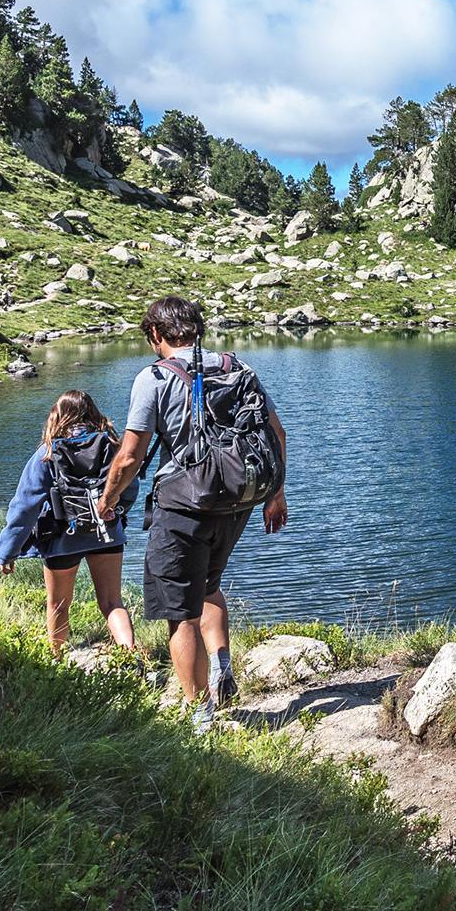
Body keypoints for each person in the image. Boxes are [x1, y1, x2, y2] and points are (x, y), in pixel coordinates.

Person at [99, 296, 288, 731]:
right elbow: (276, 432)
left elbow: (130, 456)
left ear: (156, 334)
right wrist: (275, 495)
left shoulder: (155, 377)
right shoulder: (238, 368)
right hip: (236, 502)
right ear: (197, 331)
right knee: (208, 586)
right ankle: (221, 667)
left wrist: (107, 501)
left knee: (178, 611)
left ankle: (199, 714)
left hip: (183, 508)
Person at [0, 389, 142, 661]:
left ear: (58, 415)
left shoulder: (48, 452)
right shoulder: (112, 445)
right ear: (93, 412)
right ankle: (132, 658)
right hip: (107, 535)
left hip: (62, 540)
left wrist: (8, 550)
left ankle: (56, 662)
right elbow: (130, 485)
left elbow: (24, 506)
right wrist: (116, 511)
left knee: (58, 605)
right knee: (112, 603)